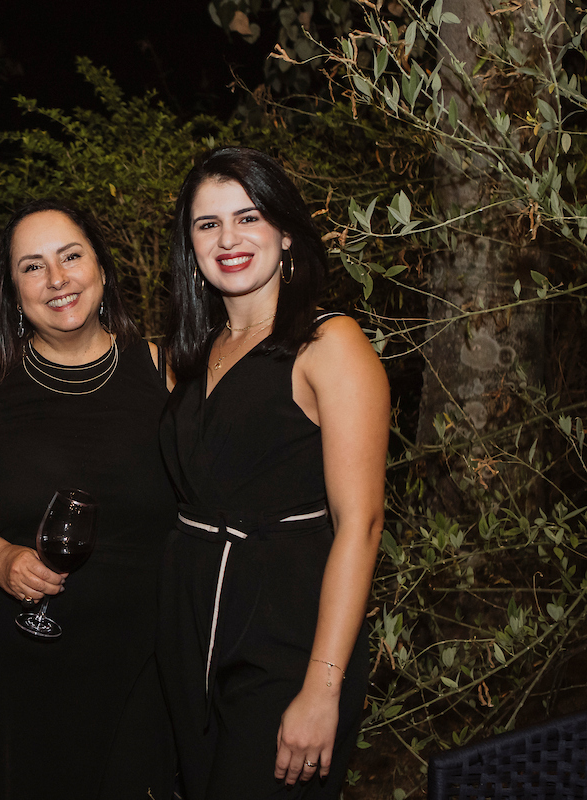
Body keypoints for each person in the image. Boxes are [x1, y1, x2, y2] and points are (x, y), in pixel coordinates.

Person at [0, 199, 178, 799]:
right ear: (13, 290)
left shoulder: (164, 374)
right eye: (33, 266)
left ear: (101, 268)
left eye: (71, 256)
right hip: (7, 662)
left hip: (136, 663)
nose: (57, 279)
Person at [157, 146, 389, 798]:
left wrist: (323, 687)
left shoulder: (330, 344)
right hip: (190, 632)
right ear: (190, 245)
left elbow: (361, 525)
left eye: (248, 217)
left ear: (285, 232)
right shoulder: (192, 353)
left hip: (286, 640)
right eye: (208, 225)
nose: (228, 239)